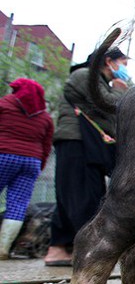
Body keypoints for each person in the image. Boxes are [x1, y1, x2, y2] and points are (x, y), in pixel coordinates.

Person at [44, 48, 130, 266]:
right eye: (123, 62)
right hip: (78, 141)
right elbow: (108, 105)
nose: (125, 68)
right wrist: (121, 91)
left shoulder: (96, 80)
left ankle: (59, 249)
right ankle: (87, 251)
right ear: (108, 61)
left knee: (72, 195)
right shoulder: (84, 75)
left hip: (85, 142)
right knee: (83, 195)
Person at [0, 79, 54, 259]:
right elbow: (46, 146)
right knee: (18, 206)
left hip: (3, 155)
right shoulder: (45, 117)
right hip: (31, 162)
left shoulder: (4, 104)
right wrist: (40, 165)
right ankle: (3, 249)